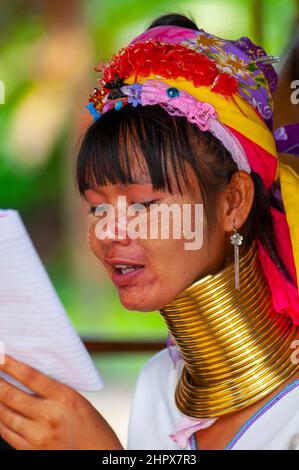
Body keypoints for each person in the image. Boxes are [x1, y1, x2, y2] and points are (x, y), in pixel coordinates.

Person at [0, 12, 299, 450]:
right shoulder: (160, 385)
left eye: (142, 203)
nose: (109, 232)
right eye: (96, 206)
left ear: (233, 202)